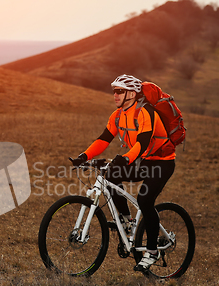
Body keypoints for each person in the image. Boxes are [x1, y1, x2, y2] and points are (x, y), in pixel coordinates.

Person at [71, 74, 176, 272]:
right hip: (142, 160)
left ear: (132, 93)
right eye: (114, 91)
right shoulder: (118, 115)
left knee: (145, 201)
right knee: (110, 176)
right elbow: (103, 139)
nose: (115, 95)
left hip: (162, 163)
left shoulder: (145, 112)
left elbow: (142, 143)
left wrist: (126, 158)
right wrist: (83, 156)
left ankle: (152, 252)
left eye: (120, 91)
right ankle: (128, 221)